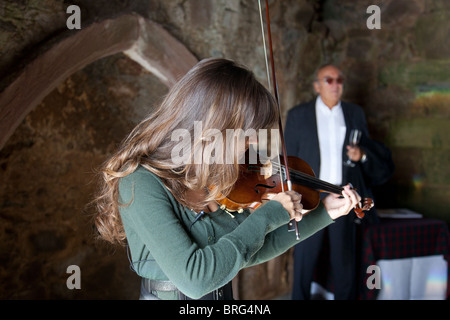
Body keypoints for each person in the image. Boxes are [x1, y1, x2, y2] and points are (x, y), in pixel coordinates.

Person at [93, 58, 362, 300]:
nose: (254, 144)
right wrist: (269, 215)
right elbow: (195, 280)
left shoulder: (218, 179)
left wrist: (325, 212)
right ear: (214, 129)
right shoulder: (140, 182)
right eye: (247, 134)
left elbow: (255, 246)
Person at [286, 64, 394, 300]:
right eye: (329, 80)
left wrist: (360, 154)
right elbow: (289, 162)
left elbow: (367, 148)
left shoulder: (354, 113)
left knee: (344, 259)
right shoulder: (298, 115)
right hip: (310, 198)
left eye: (339, 80)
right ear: (317, 86)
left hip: (343, 196)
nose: (335, 85)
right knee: (305, 258)